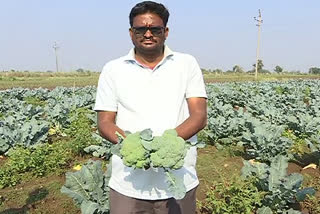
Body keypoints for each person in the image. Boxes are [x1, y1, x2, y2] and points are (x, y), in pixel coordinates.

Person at [94, 1, 207, 213]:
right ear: (131, 32)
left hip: (179, 181)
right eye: (140, 29)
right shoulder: (113, 69)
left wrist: (165, 144)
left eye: (155, 29)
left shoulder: (186, 64)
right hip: (127, 184)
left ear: (165, 32)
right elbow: (105, 122)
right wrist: (134, 145)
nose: (148, 34)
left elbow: (199, 115)